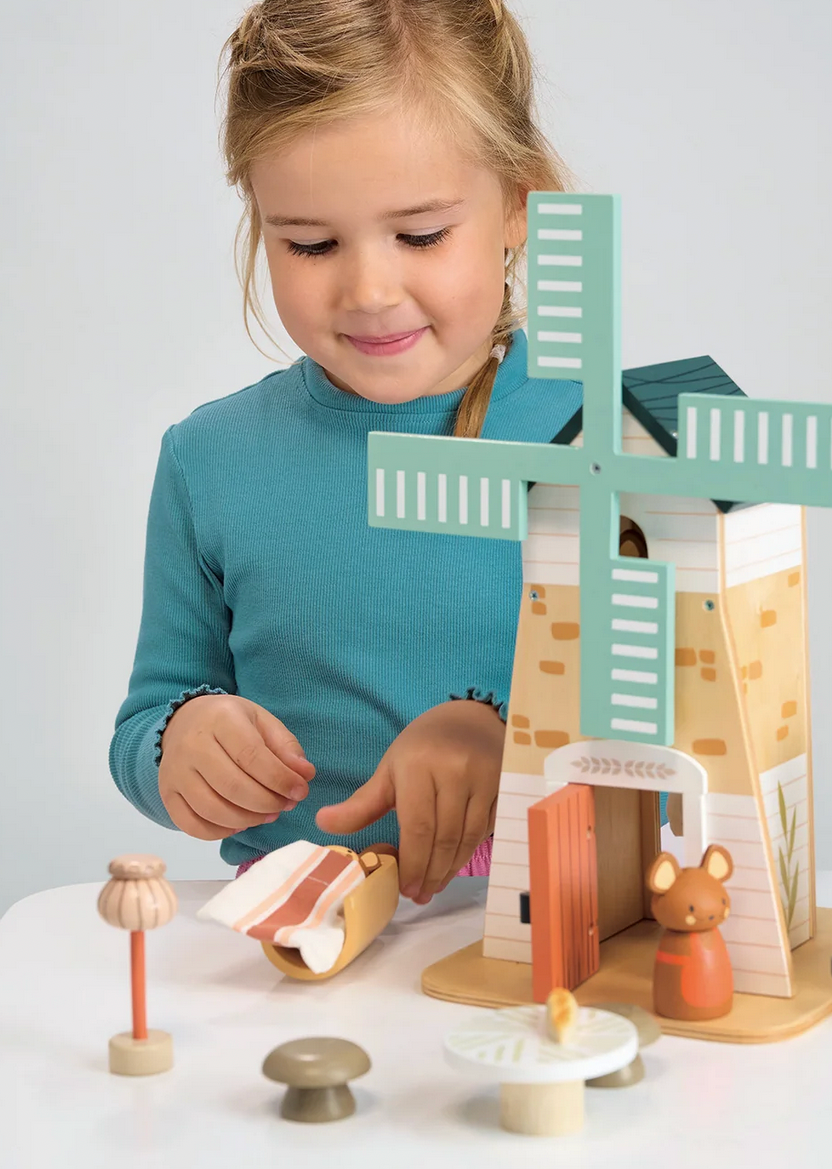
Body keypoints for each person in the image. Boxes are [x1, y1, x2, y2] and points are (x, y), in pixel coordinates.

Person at [109, 0, 580, 906]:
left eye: (421, 234)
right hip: (298, 939)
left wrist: (504, 738)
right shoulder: (211, 459)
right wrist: (180, 740)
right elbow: (148, 715)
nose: (368, 289)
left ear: (520, 205)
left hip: (552, 940)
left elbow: (689, 744)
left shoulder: (610, 448)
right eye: (311, 243)